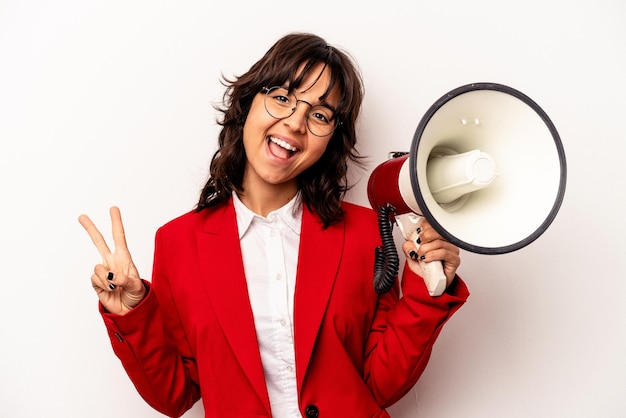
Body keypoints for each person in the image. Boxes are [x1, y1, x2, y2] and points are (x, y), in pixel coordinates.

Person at [79, 32, 469, 418]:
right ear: (248, 104)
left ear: (331, 138)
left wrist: (424, 293)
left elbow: (382, 385)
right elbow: (174, 397)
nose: (296, 123)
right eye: (282, 98)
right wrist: (132, 315)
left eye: (319, 115)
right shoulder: (180, 242)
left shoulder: (366, 233)